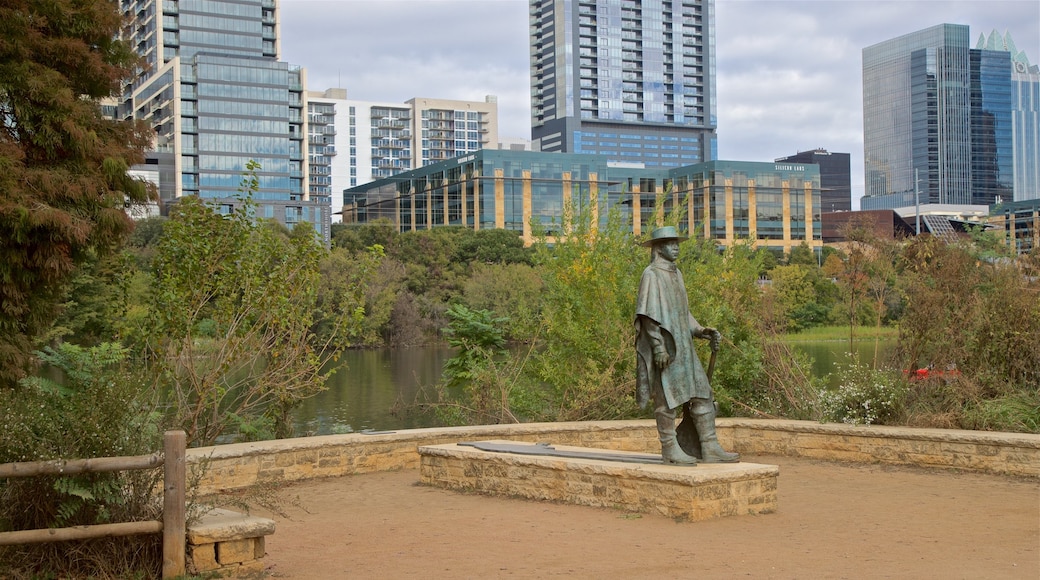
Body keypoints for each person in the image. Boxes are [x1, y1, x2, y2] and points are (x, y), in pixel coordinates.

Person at [634, 226, 740, 465]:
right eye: (670, 244)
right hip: (667, 348)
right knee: (666, 400)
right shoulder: (651, 274)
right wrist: (658, 347)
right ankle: (670, 448)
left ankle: (709, 446)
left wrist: (701, 330)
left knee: (703, 394)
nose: (676, 247)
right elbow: (648, 316)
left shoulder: (677, 273)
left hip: (685, 347)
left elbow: (683, 313)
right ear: (659, 248)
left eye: (677, 243)